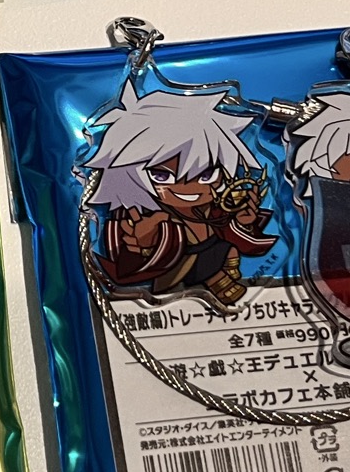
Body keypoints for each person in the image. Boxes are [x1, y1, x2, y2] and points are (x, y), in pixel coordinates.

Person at [82, 83, 277, 312]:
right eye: (162, 175)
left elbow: (227, 228)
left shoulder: (211, 206)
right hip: (177, 276)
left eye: (205, 174)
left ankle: (223, 278)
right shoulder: (139, 214)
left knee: (227, 250)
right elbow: (125, 265)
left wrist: (242, 223)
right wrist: (143, 246)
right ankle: (217, 281)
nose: (188, 188)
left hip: (213, 260)